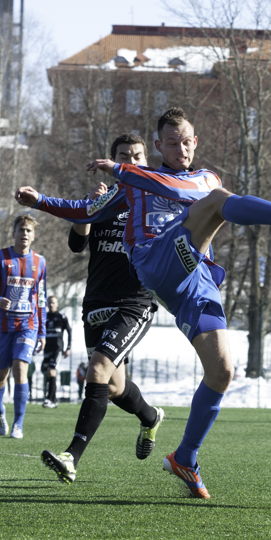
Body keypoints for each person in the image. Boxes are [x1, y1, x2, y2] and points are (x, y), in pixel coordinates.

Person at [15, 109, 271, 496]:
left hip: (195, 280)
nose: (181, 148)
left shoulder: (202, 177)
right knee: (217, 203)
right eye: (172, 143)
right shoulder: (133, 184)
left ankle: (185, 458)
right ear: (159, 146)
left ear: (195, 143)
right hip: (155, 260)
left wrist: (121, 169)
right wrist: (41, 200)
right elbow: (87, 212)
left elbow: (178, 191)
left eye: (186, 142)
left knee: (222, 372)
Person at [22, 133, 166, 484]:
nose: (130, 161)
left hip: (134, 302)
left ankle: (71, 456)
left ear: (146, 162)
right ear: (113, 160)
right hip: (96, 303)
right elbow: (76, 244)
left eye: (136, 156)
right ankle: (150, 417)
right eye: (123, 155)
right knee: (115, 387)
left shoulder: (156, 200)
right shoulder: (105, 201)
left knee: (98, 370)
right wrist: (89, 209)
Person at [0, 214, 47, 439]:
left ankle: (18, 424)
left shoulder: (40, 262)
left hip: (27, 325)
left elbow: (41, 299)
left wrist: (42, 331)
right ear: (14, 233)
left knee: (21, 368)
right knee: (0, 376)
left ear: (34, 235)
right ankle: (0, 410)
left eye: (29, 230)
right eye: (21, 230)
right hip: (1, 327)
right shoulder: (0, 258)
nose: (25, 234)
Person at [41, 295, 72, 408]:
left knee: (51, 370)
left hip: (57, 349)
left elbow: (69, 331)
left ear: (57, 304)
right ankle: (53, 400)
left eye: (53, 302)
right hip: (47, 349)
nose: (51, 304)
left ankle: (49, 398)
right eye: (49, 302)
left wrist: (68, 347)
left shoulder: (62, 317)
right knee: (46, 371)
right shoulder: (44, 317)